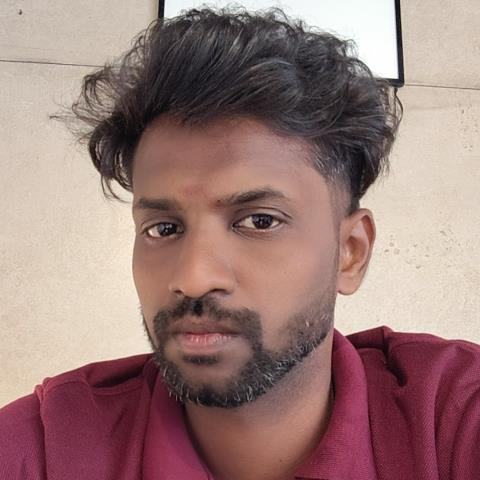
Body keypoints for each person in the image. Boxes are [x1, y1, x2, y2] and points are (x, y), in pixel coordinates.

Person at [1, 7, 479, 480]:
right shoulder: (42, 450)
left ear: (351, 253)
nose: (193, 279)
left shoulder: (448, 420)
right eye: (163, 228)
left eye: (259, 221)